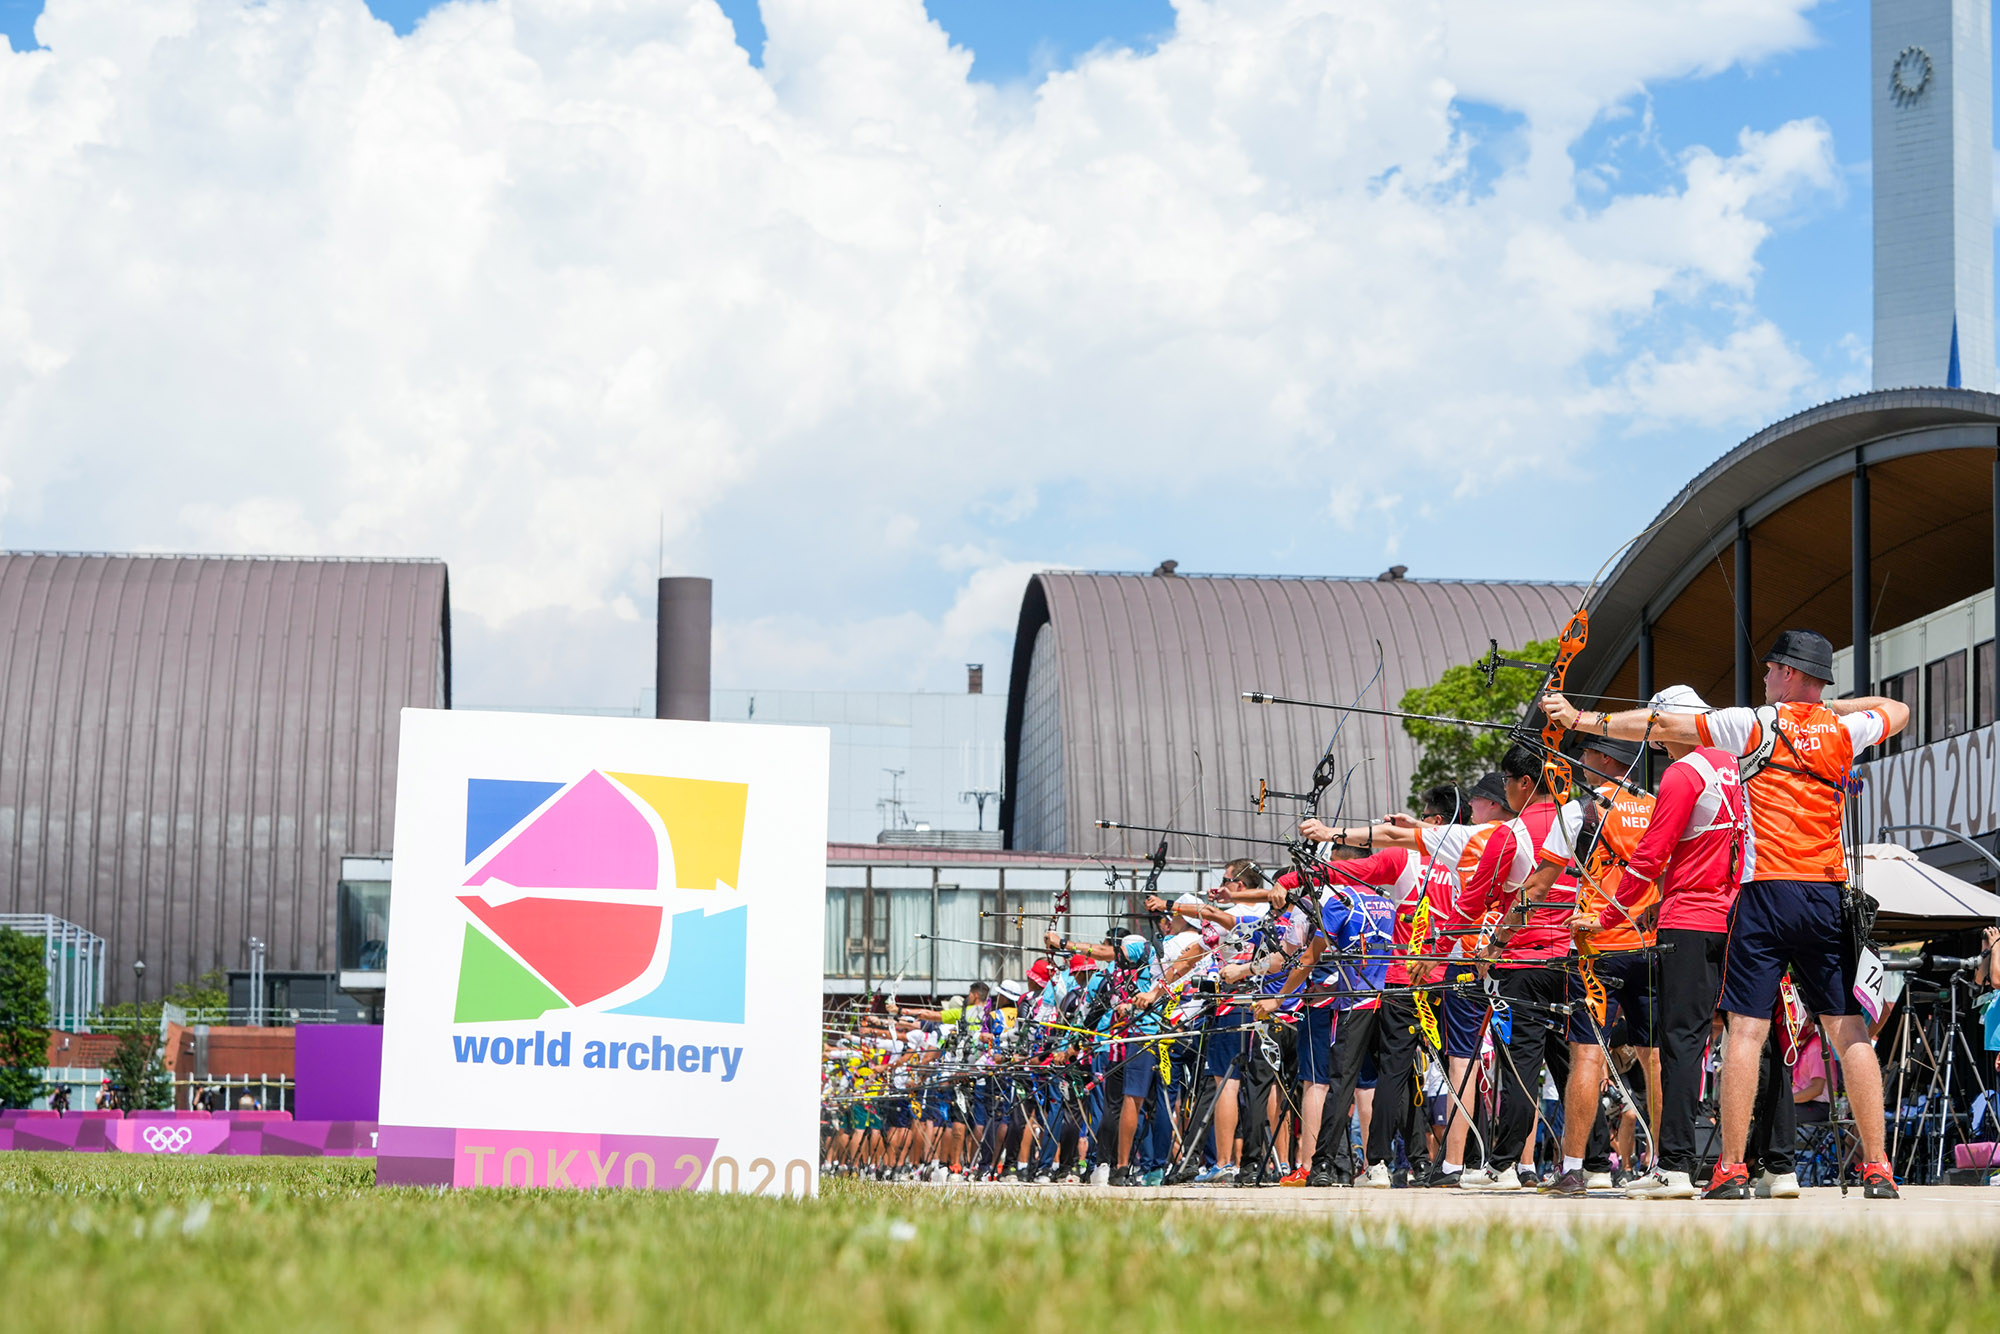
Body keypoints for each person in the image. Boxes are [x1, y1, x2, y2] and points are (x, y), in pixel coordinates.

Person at [1545, 627, 1911, 1199]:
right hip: (1826, 895)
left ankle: (1732, 1168)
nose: (1763, 678)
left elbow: (1664, 725)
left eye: (1770, 670)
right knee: (1847, 1027)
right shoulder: (1843, 729)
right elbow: (1898, 709)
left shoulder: (1757, 723)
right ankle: (1879, 1166)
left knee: (1745, 1031)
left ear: (1790, 673)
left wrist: (1580, 720)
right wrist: (1825, 706)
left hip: (1764, 896)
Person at [1596, 685, 1749, 1200]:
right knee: (1752, 1040)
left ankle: (1677, 1167)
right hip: (1740, 918)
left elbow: (1649, 856)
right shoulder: (1737, 765)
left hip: (1691, 921)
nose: (1657, 742)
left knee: (1682, 1041)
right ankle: (1776, 1165)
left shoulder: (1683, 774)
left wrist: (1609, 912)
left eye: (1659, 731)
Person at [1443, 744, 1588, 1192]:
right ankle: (1590, 1162)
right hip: (1574, 961)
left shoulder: (1510, 834)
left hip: (1520, 963)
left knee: (1521, 1063)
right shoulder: (1579, 822)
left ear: (1525, 783)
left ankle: (1505, 1165)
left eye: (1506, 782)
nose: (1504, 792)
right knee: (1575, 1063)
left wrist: (1443, 939)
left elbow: (1472, 901)